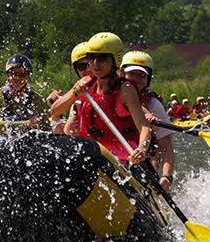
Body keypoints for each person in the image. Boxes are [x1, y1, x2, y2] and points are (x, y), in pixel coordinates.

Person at [55, 32, 153, 165]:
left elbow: (144, 126)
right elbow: (55, 110)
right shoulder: (85, 83)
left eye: (102, 58)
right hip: (90, 155)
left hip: (121, 159)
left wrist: (142, 149)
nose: (95, 63)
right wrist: (74, 93)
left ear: (115, 60)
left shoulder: (125, 89)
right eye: (91, 58)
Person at [120, 50, 175, 189]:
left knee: (153, 157)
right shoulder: (111, 97)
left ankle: (149, 188)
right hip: (116, 159)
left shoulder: (154, 105)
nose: (136, 79)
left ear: (147, 79)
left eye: (141, 75)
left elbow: (167, 149)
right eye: (131, 74)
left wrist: (166, 177)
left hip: (141, 163)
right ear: (122, 74)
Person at [0, 54, 51, 134]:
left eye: (22, 74)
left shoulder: (36, 99)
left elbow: (47, 129)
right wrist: (26, 124)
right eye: (14, 74)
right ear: (8, 76)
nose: (18, 78)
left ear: (27, 77)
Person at [49, 42, 92, 135]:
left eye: (91, 63)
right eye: (82, 66)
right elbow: (65, 139)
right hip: (92, 144)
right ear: (77, 71)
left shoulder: (116, 91)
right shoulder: (77, 101)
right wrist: (56, 115)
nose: (88, 70)